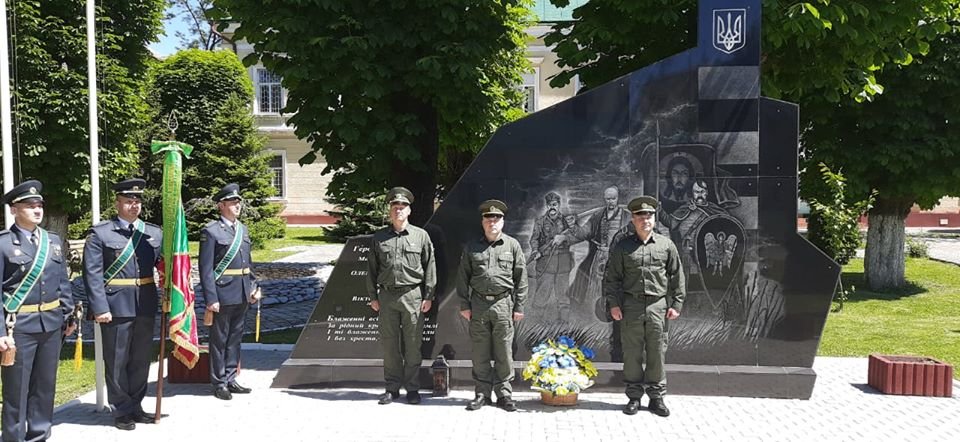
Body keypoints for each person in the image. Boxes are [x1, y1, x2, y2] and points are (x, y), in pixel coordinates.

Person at [83, 178, 162, 430]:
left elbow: (163, 265)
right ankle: (121, 410)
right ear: (117, 203)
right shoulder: (101, 233)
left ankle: (136, 406)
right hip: (115, 305)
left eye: (137, 201)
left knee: (141, 359)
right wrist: (99, 307)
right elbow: (92, 274)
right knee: (117, 360)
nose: (134, 205)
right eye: (128, 201)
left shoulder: (153, 233)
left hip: (145, 303)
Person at [603, 195, 685, 417]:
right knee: (632, 353)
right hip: (631, 307)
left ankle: (657, 397)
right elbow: (612, 279)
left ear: (654, 218)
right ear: (633, 218)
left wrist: (676, 303)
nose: (645, 219)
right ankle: (634, 396)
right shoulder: (623, 247)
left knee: (657, 352)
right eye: (640, 215)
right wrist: (613, 304)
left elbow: (677, 276)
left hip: (658, 307)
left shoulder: (666, 245)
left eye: (649, 215)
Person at [366, 186, 436, 405]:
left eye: (403, 206)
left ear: (409, 211)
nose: (399, 210)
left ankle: (413, 389)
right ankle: (392, 388)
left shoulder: (420, 236)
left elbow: (430, 266)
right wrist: (373, 297)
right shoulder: (380, 238)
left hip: (413, 296)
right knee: (390, 345)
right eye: (395, 207)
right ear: (390, 211)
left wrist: (429, 295)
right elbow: (371, 270)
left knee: (413, 345)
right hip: (387, 297)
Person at [457, 199, 527, 412]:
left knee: (504, 352)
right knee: (480, 351)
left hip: (503, 304)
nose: (492, 222)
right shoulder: (472, 247)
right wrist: (464, 304)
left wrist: (519, 306)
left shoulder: (512, 245)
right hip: (478, 304)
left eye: (496, 218)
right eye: (489, 218)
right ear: (483, 221)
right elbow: (462, 277)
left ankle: (504, 394)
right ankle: (482, 393)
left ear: (503, 222)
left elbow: (521, 278)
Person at [198, 183, 261, 401]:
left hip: (242, 291)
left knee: (235, 337)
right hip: (223, 292)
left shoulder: (242, 229)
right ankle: (219, 382)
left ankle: (231, 376)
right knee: (219, 339)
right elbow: (205, 268)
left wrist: (254, 286)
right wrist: (211, 298)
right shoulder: (211, 231)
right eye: (233, 202)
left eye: (238, 202)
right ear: (221, 205)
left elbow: (249, 264)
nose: (237, 206)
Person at [528, 192, 574, 322]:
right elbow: (534, 239)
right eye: (549, 205)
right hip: (546, 263)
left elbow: (575, 235)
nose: (552, 207)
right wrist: (535, 250)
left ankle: (564, 325)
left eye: (555, 204)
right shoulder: (540, 222)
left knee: (563, 296)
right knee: (542, 294)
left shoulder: (567, 221)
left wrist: (564, 237)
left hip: (563, 264)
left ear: (559, 205)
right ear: (547, 206)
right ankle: (535, 324)